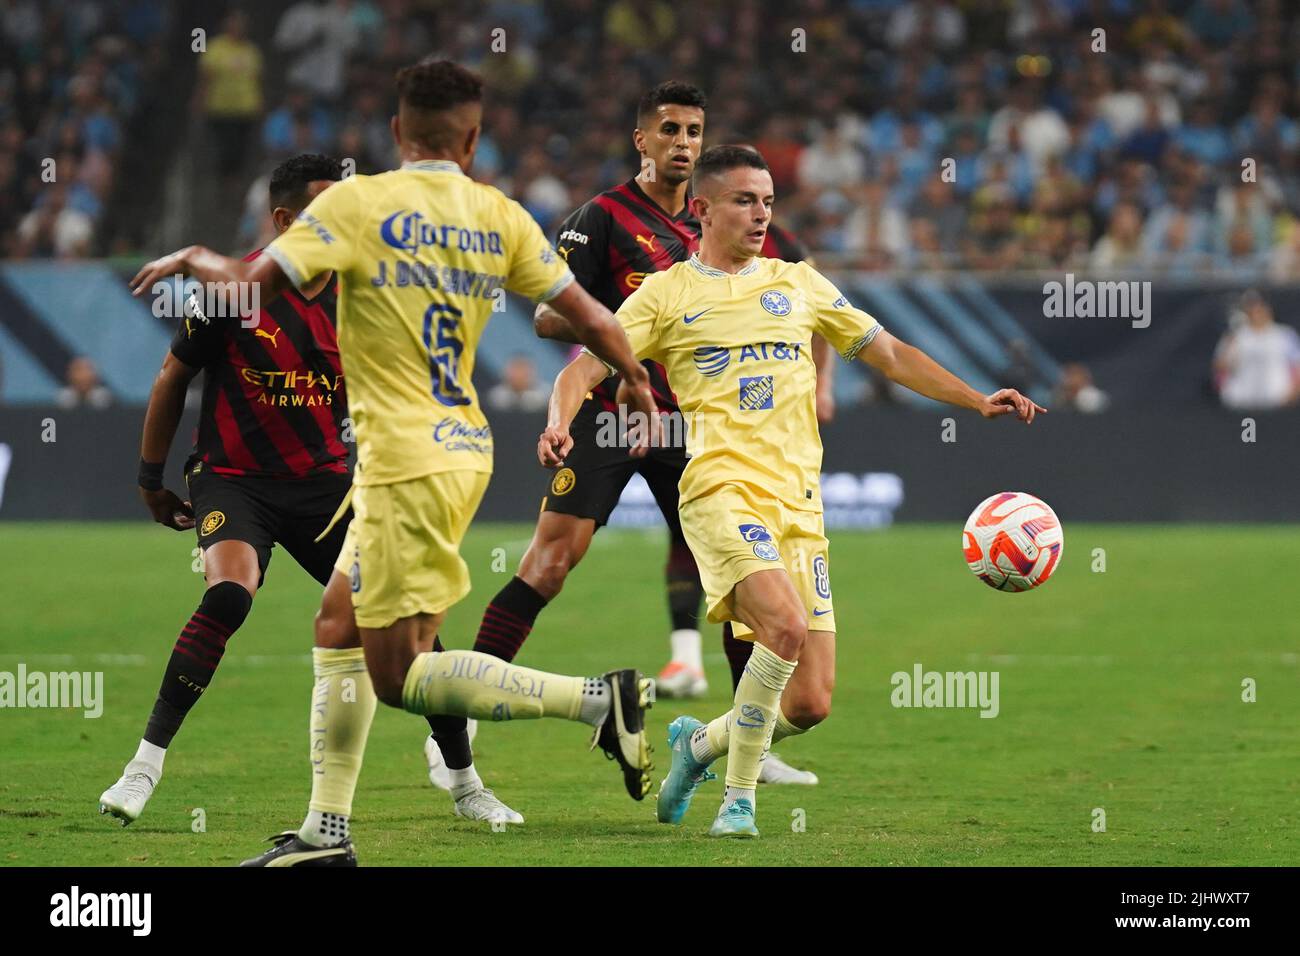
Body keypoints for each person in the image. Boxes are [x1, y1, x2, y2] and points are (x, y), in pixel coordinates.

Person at [129, 60, 661, 866]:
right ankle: (324, 835)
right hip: (458, 449)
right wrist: (632, 381)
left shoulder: (357, 202)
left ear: (395, 135)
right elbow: (591, 315)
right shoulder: (501, 216)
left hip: (403, 460)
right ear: (475, 139)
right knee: (337, 628)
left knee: (396, 673)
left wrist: (195, 254)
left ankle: (596, 701)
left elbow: (246, 279)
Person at [544, 145, 1045, 837]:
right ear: (702, 209)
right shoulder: (664, 295)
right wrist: (556, 421)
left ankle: (699, 746)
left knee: (810, 702)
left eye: (769, 202)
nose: (760, 215)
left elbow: (889, 353)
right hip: (720, 491)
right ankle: (738, 803)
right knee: (781, 628)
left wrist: (973, 399)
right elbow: (583, 369)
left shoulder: (800, 283)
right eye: (746, 200)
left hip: (799, 506)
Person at [462, 84, 822, 788]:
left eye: (694, 129)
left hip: (689, 416)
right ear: (642, 141)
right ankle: (467, 709)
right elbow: (544, 319)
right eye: (669, 129)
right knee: (551, 561)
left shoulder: (721, 217)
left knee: (737, 571)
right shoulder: (599, 219)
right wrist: (625, 327)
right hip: (611, 410)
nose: (683, 141)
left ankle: (753, 740)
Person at [1213, 290, 1300, 409]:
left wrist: (1291, 394)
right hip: (1241, 402)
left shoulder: (1284, 335)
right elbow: (1220, 368)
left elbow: (1297, 366)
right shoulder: (1236, 337)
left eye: (1259, 307)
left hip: (1276, 400)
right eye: (1251, 307)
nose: (1256, 311)